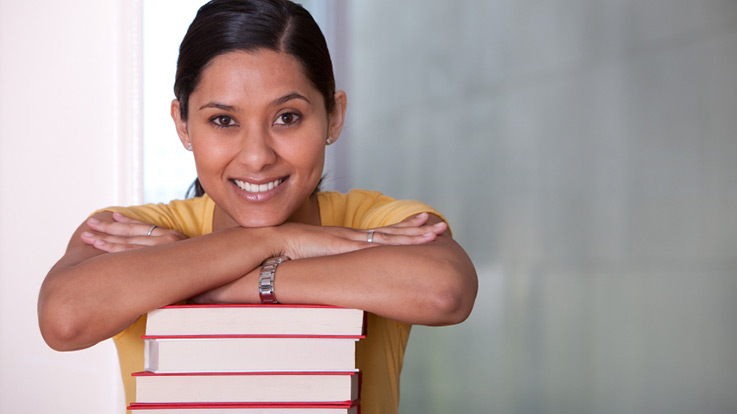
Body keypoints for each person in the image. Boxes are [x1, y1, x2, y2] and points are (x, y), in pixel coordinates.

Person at [37, 1, 478, 413]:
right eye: (223, 121)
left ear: (334, 116)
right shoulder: (130, 230)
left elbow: (444, 293)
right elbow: (65, 320)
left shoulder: (375, 223)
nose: (256, 156)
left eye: (287, 117)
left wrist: (214, 283)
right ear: (183, 125)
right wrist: (277, 239)